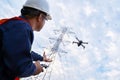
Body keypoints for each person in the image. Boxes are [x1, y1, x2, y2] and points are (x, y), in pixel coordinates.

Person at [0, 0, 52, 80]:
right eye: (45, 19)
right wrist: (35, 68)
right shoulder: (22, 28)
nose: (45, 22)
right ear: (40, 17)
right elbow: (21, 67)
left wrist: (42, 58)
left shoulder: (16, 26)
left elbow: (24, 53)